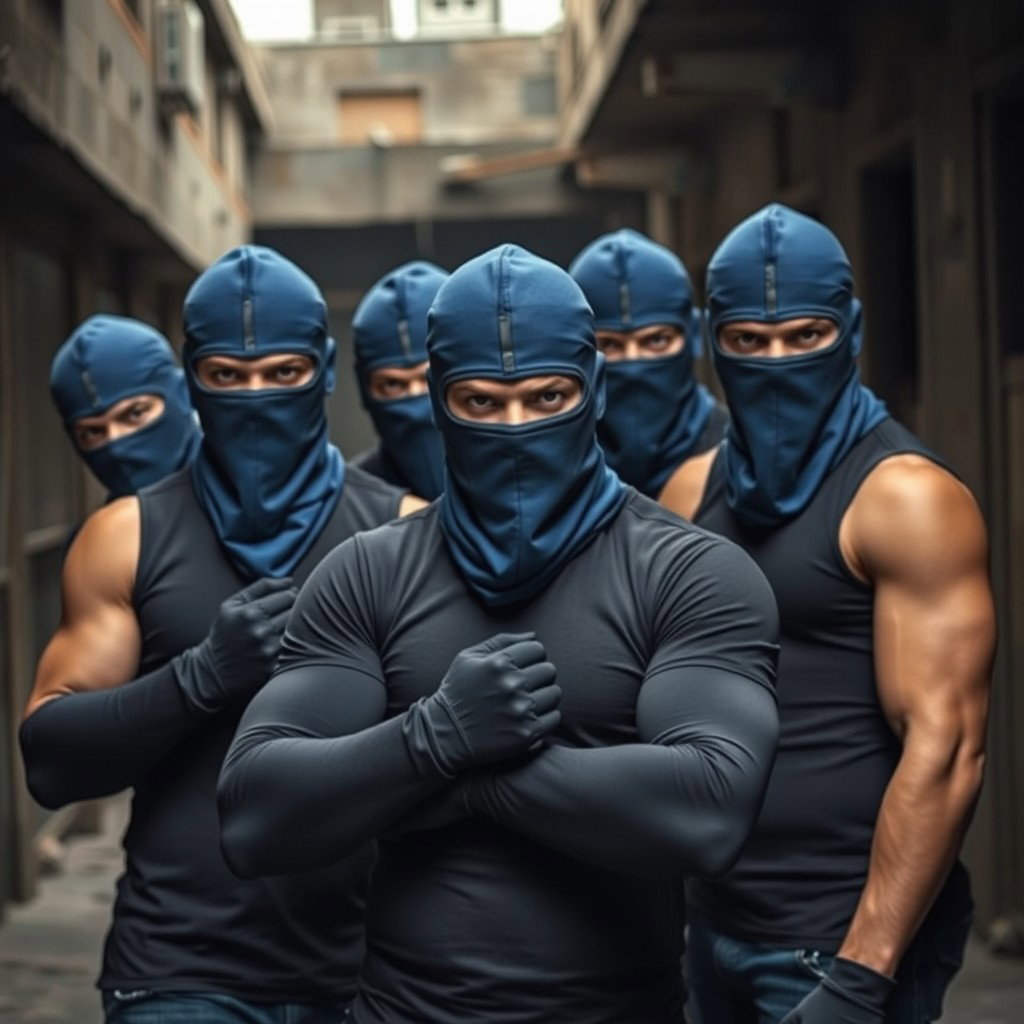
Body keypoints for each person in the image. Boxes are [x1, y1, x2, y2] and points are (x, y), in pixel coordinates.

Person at [217, 244, 781, 1024]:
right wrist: (434, 737)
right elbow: (255, 817)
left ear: (594, 391)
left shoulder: (689, 572)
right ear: (439, 400)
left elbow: (708, 811)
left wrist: (452, 772)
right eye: (482, 402)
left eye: (547, 396)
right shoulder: (367, 573)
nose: (516, 427)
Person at [20, 245, 422, 1024]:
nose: (256, 396)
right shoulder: (127, 535)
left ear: (326, 368)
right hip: (180, 966)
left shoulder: (403, 532)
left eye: (282, 373)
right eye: (229, 377)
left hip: (371, 965)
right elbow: (50, 755)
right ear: (193, 377)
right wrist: (197, 678)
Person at [660, 205, 994, 1024]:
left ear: (850, 332)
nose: (776, 362)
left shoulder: (905, 497)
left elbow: (946, 749)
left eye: (803, 337)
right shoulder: (690, 489)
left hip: (835, 943)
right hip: (711, 926)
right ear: (714, 342)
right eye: (750, 341)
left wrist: (860, 973)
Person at [568, 228, 726, 498]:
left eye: (656, 341)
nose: (634, 362)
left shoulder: (739, 461)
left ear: (694, 337)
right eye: (610, 345)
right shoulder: (558, 473)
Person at [50, 314, 200, 499]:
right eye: (93, 432)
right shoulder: (104, 527)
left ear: (184, 394)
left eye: (135, 414)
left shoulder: (240, 505)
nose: (116, 446)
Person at [351, 261, 449, 499]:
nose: (416, 411)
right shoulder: (352, 503)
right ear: (366, 390)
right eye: (393, 384)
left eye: (430, 377)